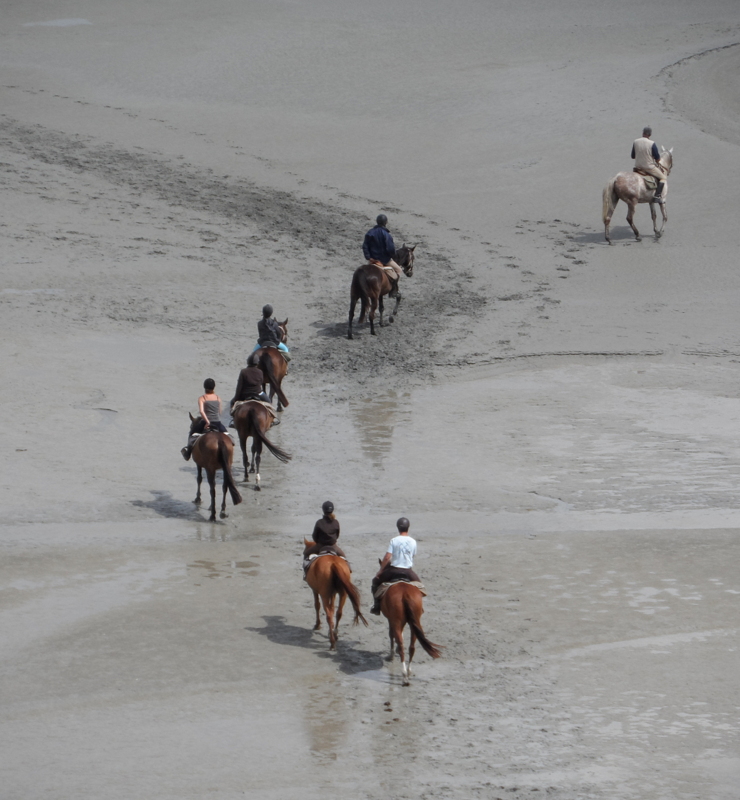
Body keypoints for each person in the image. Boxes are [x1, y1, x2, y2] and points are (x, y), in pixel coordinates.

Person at [369, 517, 420, 615]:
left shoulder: (394, 540)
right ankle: (419, 608)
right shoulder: (413, 541)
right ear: (408, 527)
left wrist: (380, 571)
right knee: (420, 587)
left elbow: (388, 557)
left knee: (375, 581)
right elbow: (412, 556)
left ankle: (376, 606)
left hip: (394, 570)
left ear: (398, 528)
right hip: (408, 571)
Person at [181, 378, 228, 461]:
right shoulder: (218, 398)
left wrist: (207, 422)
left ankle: (188, 454)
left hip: (205, 422)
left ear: (204, 387)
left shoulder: (202, 398)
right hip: (217, 423)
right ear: (214, 387)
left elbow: (202, 412)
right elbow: (220, 412)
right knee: (228, 436)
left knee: (191, 434)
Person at [228, 354, 279, 427]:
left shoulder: (243, 372)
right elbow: (260, 383)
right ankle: (273, 419)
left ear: (248, 362)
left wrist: (236, 398)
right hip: (258, 393)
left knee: (231, 403)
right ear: (257, 363)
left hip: (245, 394)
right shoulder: (260, 372)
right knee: (269, 402)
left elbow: (239, 387)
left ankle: (233, 420)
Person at [303, 501, 347, 579]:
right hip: (333, 546)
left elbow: (314, 537)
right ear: (332, 510)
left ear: (323, 510)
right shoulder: (336, 522)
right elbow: (337, 535)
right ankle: (348, 572)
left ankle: (306, 574)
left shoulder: (319, 523)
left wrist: (319, 542)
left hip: (320, 546)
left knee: (306, 553)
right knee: (344, 556)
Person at [631, 126, 666, 204]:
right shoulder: (652, 143)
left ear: (643, 133)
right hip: (648, 167)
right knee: (663, 178)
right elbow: (657, 159)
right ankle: (657, 196)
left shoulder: (635, 141)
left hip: (638, 167)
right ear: (650, 135)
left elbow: (633, 156)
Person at [363, 214, 403, 280]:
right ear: (385, 222)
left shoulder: (370, 232)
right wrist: (392, 255)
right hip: (385, 260)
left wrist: (368, 257)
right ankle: (395, 289)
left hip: (372, 260)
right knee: (399, 270)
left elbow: (365, 246)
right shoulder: (387, 235)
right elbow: (390, 249)